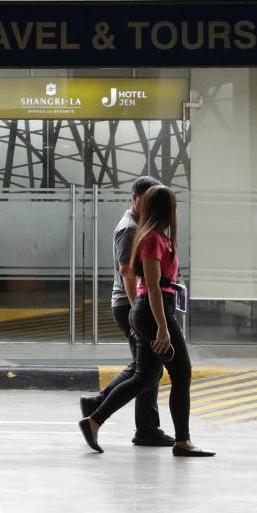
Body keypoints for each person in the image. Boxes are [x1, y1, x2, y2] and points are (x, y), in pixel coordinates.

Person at [78, 184, 214, 457]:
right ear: (168, 209)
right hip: (154, 311)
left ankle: (94, 419)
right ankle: (182, 441)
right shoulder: (151, 239)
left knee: (147, 375)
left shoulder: (158, 237)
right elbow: (151, 286)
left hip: (153, 310)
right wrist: (162, 328)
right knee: (180, 373)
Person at [78, 175, 174, 447]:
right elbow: (128, 273)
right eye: (149, 200)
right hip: (130, 303)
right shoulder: (130, 229)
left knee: (144, 368)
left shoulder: (139, 225)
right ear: (135, 198)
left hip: (133, 305)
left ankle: (100, 404)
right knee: (148, 371)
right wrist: (137, 313)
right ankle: (143, 428)